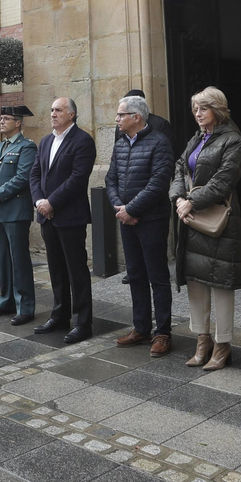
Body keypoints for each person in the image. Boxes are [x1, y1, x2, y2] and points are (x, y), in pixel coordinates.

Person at [170, 87, 241, 371]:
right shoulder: (197, 138)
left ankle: (223, 344)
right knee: (196, 281)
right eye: (195, 109)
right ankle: (202, 340)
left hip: (218, 220)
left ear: (218, 108)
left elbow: (224, 180)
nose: (198, 114)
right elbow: (179, 167)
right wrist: (179, 198)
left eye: (203, 108)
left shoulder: (232, 140)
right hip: (191, 219)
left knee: (221, 283)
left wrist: (190, 202)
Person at [108, 94, 176, 357]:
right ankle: (141, 328)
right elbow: (111, 177)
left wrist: (132, 209)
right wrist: (120, 209)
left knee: (157, 277)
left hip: (152, 220)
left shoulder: (160, 142)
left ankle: (163, 333)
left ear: (136, 117)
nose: (117, 119)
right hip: (127, 219)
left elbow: (159, 183)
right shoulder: (120, 143)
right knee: (135, 275)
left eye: (120, 115)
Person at [32, 97, 96, 343]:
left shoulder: (82, 141)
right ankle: (59, 315)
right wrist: (39, 201)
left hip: (70, 216)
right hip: (47, 216)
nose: (53, 114)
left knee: (76, 270)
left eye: (58, 110)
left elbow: (78, 178)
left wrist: (52, 202)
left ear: (72, 115)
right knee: (56, 269)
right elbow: (35, 172)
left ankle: (83, 322)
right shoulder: (46, 141)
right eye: (51, 110)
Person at [0, 105, 37, 325]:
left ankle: (25, 305)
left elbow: (23, 177)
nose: (2, 121)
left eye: (6, 118)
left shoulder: (27, 148)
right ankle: (6, 300)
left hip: (15, 211)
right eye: (1, 118)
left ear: (18, 123)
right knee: (2, 259)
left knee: (19, 259)